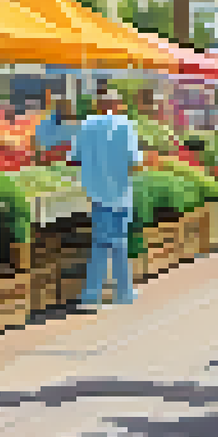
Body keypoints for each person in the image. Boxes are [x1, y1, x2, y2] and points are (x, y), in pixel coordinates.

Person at [68, 90, 144, 313]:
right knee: (119, 242)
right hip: (119, 191)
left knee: (99, 243)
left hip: (96, 191)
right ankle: (123, 292)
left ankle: (93, 293)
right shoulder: (125, 125)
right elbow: (135, 161)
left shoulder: (86, 125)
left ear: (96, 105)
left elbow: (74, 157)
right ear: (118, 104)